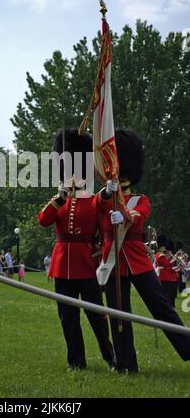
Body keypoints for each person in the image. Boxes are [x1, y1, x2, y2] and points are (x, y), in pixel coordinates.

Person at [96, 129, 190, 374]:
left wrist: (124, 213)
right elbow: (96, 214)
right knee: (118, 314)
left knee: (161, 307)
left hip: (137, 260)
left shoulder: (141, 200)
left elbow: (137, 219)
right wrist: (108, 193)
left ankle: (188, 348)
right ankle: (126, 363)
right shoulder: (104, 198)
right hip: (113, 261)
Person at [38, 129, 115, 371]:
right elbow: (43, 219)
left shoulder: (92, 199)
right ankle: (76, 361)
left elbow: (102, 204)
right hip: (63, 266)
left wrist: (110, 190)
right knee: (68, 319)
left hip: (86, 264)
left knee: (97, 317)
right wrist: (59, 199)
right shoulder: (59, 200)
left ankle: (110, 356)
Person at [156, 235, 179, 307]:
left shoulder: (159, 254)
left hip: (164, 275)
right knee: (166, 293)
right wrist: (173, 260)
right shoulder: (161, 255)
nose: (164, 248)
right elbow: (167, 265)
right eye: (163, 246)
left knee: (166, 293)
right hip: (164, 276)